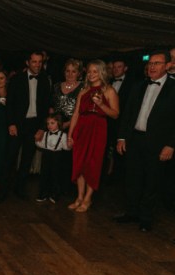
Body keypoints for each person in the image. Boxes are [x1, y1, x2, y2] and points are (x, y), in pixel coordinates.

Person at [115, 50, 175, 232]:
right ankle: (131, 212)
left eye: (157, 63)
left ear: (167, 66)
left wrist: (171, 144)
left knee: (152, 181)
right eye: (150, 63)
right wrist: (122, 137)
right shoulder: (138, 86)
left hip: (157, 143)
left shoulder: (174, 88)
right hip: (134, 139)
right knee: (132, 178)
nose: (152, 66)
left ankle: (146, 217)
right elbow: (128, 114)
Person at [0, 51, 51, 202]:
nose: (37, 65)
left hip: (34, 125)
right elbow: (10, 104)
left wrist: (41, 128)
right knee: (9, 159)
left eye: (40, 62)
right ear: (27, 62)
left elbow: (46, 107)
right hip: (18, 124)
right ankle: (2, 193)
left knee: (27, 160)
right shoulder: (17, 79)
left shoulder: (45, 80)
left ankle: (19, 188)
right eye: (34, 62)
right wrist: (11, 123)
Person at [67, 60, 119, 212]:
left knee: (92, 164)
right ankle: (79, 197)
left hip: (98, 129)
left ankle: (88, 199)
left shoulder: (109, 91)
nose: (91, 74)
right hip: (82, 129)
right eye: (89, 71)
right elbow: (76, 113)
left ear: (102, 72)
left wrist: (102, 105)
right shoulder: (83, 91)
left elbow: (115, 114)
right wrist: (70, 134)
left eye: (95, 71)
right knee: (79, 163)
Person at [51, 59, 83, 195]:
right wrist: (54, 123)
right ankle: (54, 187)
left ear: (79, 73)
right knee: (54, 160)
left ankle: (67, 189)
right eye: (67, 71)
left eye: (73, 71)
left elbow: (81, 111)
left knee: (69, 160)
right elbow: (51, 106)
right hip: (55, 127)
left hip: (73, 127)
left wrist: (67, 124)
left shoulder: (83, 88)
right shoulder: (56, 86)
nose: (70, 74)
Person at [35, 113, 70, 203]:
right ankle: (43, 193)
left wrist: (70, 145)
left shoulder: (63, 135)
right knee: (44, 175)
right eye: (48, 124)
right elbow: (41, 144)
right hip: (46, 155)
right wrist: (36, 140)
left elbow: (66, 147)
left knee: (55, 175)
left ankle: (55, 195)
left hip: (57, 157)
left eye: (52, 123)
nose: (49, 125)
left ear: (58, 123)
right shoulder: (45, 134)